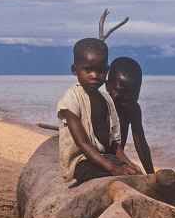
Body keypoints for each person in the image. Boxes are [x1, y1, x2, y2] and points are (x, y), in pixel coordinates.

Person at [56, 38, 139, 183]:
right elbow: (83, 143)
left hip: (104, 158)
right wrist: (113, 169)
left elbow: (114, 145)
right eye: (88, 70)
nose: (94, 75)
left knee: (134, 173)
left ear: (106, 71)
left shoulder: (106, 100)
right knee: (111, 176)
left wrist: (129, 163)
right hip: (82, 162)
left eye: (100, 71)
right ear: (75, 70)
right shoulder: (71, 100)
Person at [106, 57, 155, 174]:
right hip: (99, 157)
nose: (126, 99)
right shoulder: (102, 105)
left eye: (132, 94)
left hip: (118, 158)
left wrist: (151, 174)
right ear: (107, 86)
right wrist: (126, 163)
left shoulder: (133, 108)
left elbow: (140, 143)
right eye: (121, 92)